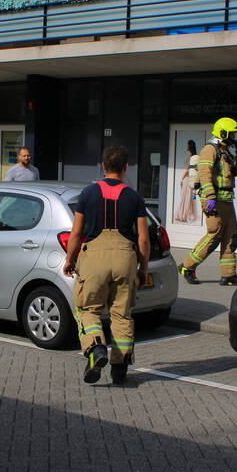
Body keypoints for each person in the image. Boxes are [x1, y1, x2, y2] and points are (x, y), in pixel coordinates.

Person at [62, 146, 150, 386]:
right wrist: (143, 269)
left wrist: (70, 259)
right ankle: (119, 371)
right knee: (122, 315)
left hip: (94, 259)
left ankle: (96, 348)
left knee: (87, 309)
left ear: (103, 166)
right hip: (125, 258)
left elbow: (77, 232)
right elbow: (143, 238)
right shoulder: (134, 197)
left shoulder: (88, 193)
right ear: (125, 168)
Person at [178, 117, 237, 286]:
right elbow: (205, 173)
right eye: (232, 134)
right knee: (214, 234)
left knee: (231, 236)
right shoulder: (210, 149)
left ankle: (228, 275)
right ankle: (187, 267)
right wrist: (210, 197)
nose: (234, 137)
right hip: (214, 200)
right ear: (223, 133)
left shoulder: (225, 151)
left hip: (227, 200)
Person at [174, 139, 199, 223]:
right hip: (191, 178)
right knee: (190, 197)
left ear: (189, 146)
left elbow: (187, 169)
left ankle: (184, 215)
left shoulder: (191, 157)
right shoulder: (195, 157)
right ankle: (188, 214)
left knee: (186, 197)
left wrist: (181, 178)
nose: (186, 147)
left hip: (188, 179)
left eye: (187, 145)